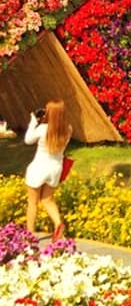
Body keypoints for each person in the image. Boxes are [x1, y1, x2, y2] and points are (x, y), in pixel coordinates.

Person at [24, 99, 72, 241]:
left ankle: (30, 234)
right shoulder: (68, 129)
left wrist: (33, 121)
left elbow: (28, 140)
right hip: (55, 168)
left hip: (39, 167)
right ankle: (58, 223)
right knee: (48, 199)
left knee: (32, 203)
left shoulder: (43, 129)